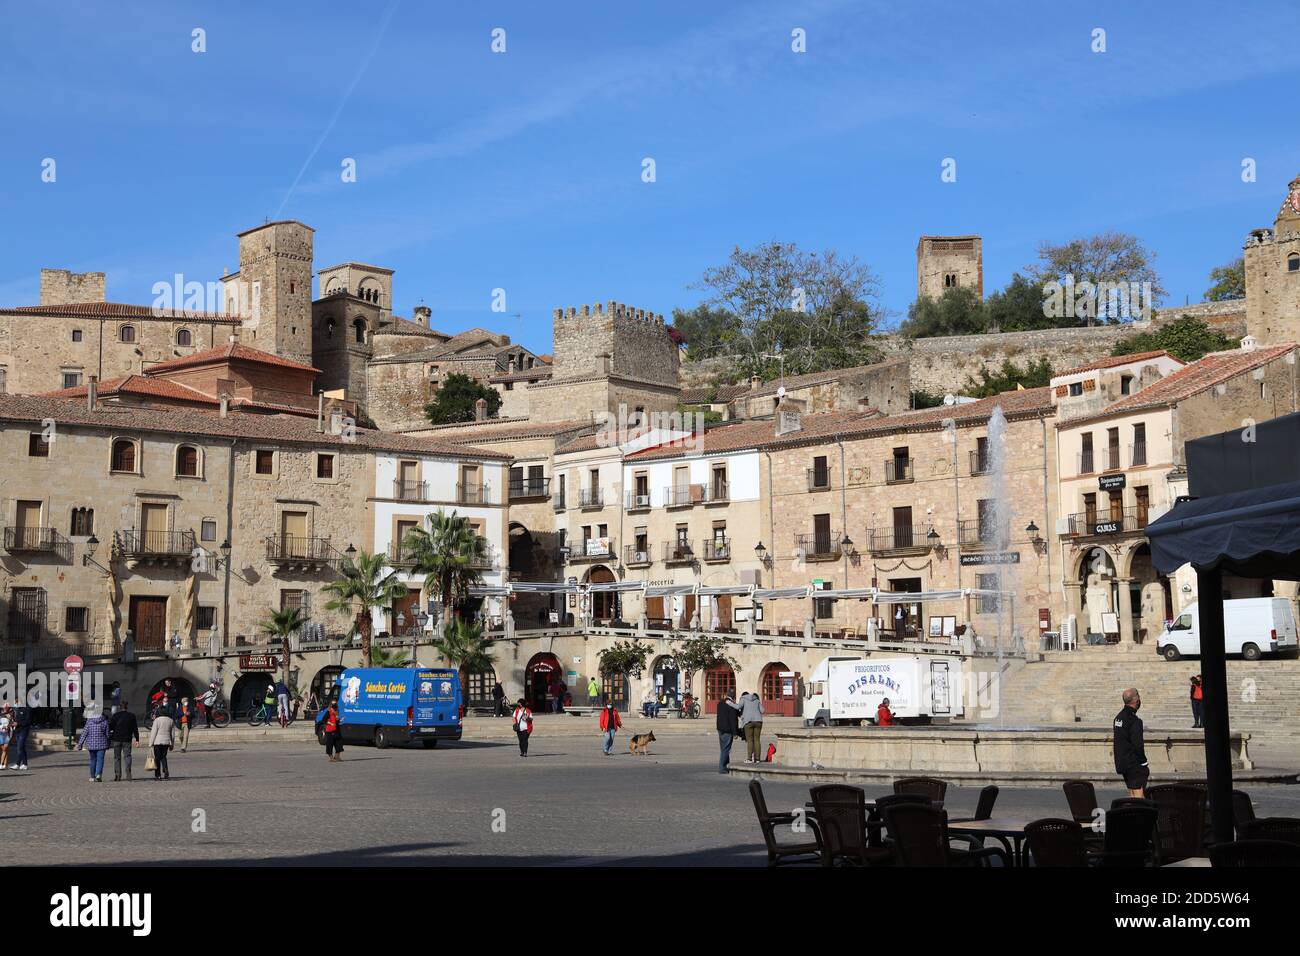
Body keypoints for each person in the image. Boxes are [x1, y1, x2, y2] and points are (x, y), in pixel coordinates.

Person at [1113, 687, 1148, 797]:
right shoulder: (1134, 721)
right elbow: (1138, 745)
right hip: (1133, 763)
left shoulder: (1118, 718)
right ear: (1136, 701)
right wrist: (1143, 762)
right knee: (1138, 794)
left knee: (1132, 792)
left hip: (1122, 762)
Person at [76, 707, 111, 782]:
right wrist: (108, 742)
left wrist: (80, 744)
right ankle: (98, 774)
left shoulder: (89, 721)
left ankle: (92, 776)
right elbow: (107, 733)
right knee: (100, 760)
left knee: (93, 760)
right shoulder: (105, 721)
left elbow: (84, 733)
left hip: (91, 744)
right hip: (102, 744)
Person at [108, 702, 140, 781]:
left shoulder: (115, 716)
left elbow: (110, 727)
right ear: (127, 707)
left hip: (117, 739)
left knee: (117, 758)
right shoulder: (131, 716)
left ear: (120, 707)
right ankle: (128, 773)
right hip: (127, 739)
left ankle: (118, 775)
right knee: (127, 756)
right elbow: (135, 729)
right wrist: (137, 739)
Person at [715, 692, 743, 774]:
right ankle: (722, 768)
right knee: (726, 749)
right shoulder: (731, 705)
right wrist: (735, 733)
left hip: (720, 728)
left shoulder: (720, 703)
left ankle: (726, 766)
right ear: (733, 697)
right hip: (728, 729)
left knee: (723, 748)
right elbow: (733, 720)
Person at [148, 708, 175, 780]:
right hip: (166, 741)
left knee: (157, 758)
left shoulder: (157, 720)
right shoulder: (170, 720)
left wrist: (151, 743)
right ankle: (165, 769)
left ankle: (158, 775)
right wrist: (172, 743)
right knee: (163, 756)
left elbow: (154, 732)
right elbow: (172, 734)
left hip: (157, 741)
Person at [739, 691, 765, 763]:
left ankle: (750, 758)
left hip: (748, 722)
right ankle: (757, 759)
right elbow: (763, 710)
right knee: (757, 740)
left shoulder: (743, 699)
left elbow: (738, 707)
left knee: (750, 740)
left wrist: (730, 703)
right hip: (758, 721)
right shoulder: (756, 700)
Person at [11, 700, 32, 771]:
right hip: (17, 731)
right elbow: (15, 720)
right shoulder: (16, 710)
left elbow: (28, 721)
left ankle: (17, 764)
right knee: (21, 747)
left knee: (20, 747)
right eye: (15, 702)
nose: (16, 703)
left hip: (24, 731)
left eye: (17, 702)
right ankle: (24, 764)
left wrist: (18, 723)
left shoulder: (27, 709)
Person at [0, 705, 12, 770]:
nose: (5, 709)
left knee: (5, 748)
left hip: (7, 734)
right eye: (4, 708)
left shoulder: (10, 715)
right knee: (4, 750)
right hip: (1, 734)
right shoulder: (0, 715)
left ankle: (1, 764)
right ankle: (5, 764)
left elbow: (12, 724)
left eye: (6, 708)